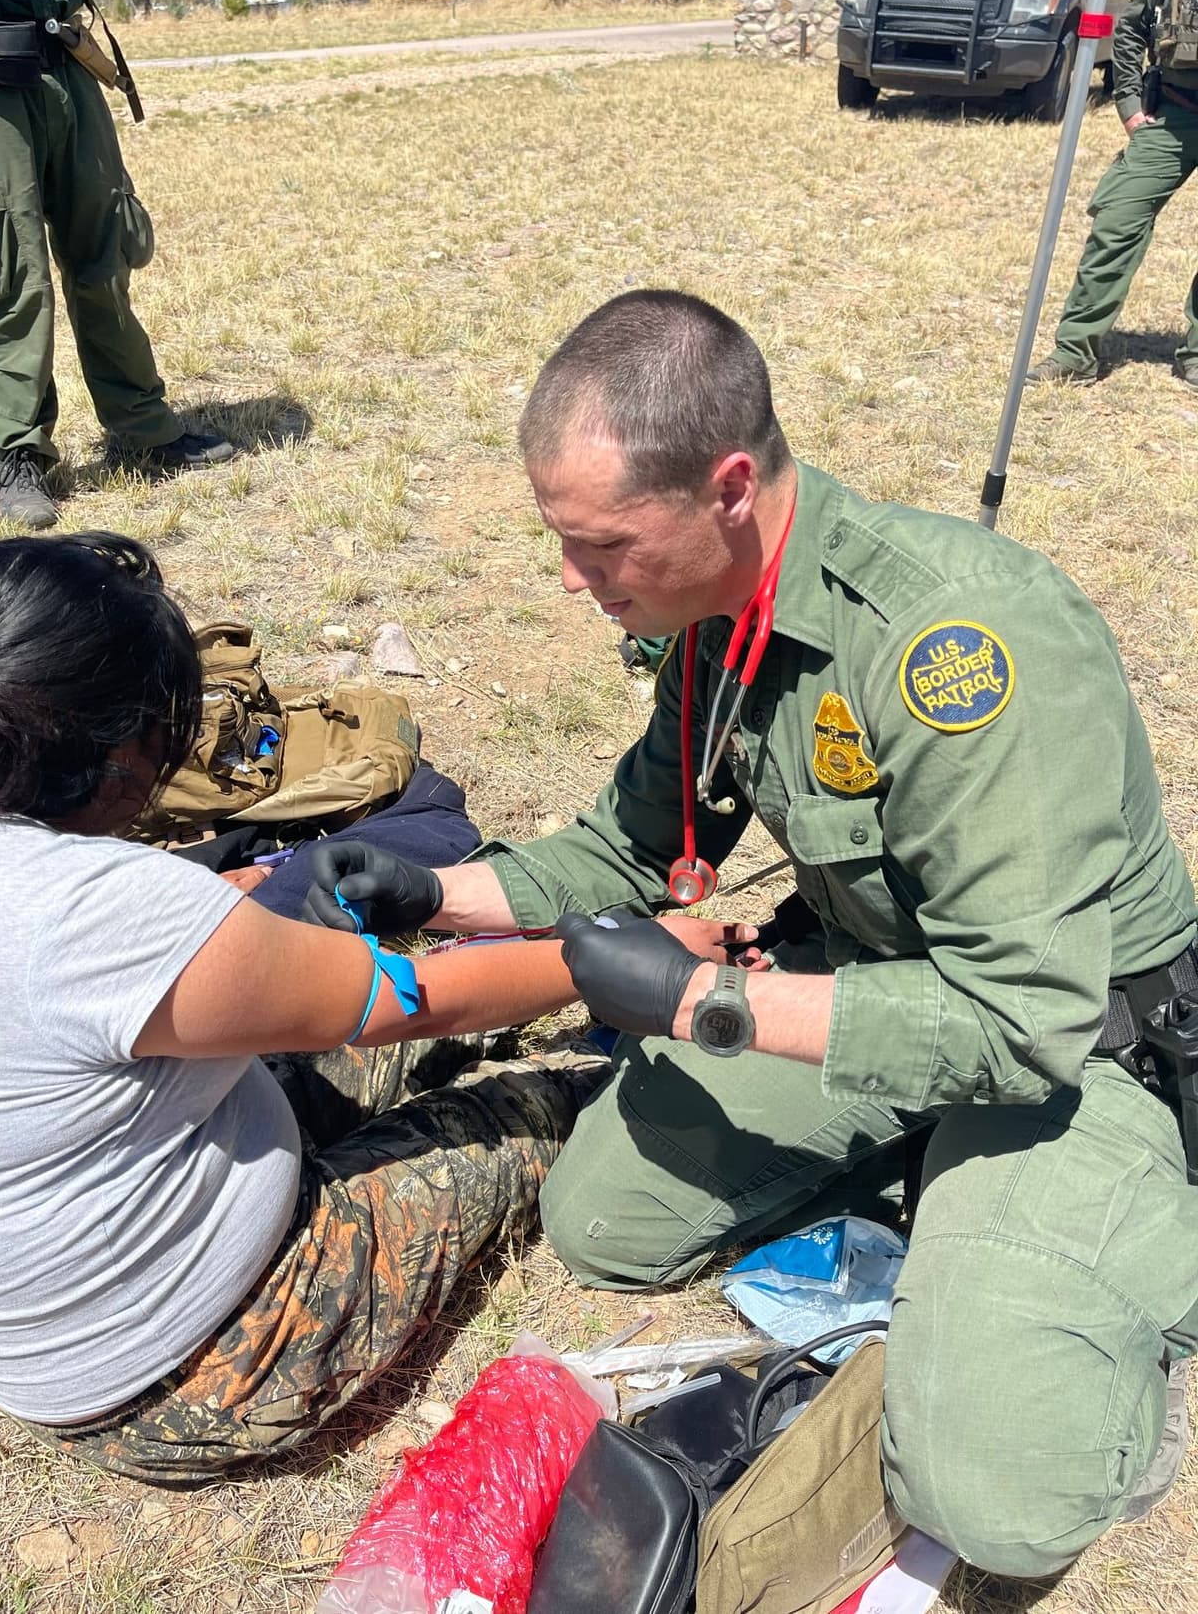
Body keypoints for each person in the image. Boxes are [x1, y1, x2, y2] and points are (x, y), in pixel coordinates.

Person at [308, 290, 1198, 1578]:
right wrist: (431, 892)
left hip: (1071, 1055)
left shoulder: (958, 644)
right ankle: (950, 1197)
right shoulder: (719, 625)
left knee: (997, 1504)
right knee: (605, 1224)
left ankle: (1098, 1263)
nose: (571, 579)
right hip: (874, 994)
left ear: (726, 489)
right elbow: (627, 844)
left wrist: (698, 1004)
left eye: (600, 544)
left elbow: (1022, 1020)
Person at [0, 530, 739, 1487]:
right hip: (207, 1369)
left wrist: (247, 908)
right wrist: (617, 967)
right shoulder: (100, 909)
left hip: (68, 1330)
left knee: (462, 1006)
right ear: (124, 744)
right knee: (535, 1107)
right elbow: (413, 1002)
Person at [0, 0, 235, 529]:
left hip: (67, 67)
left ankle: (143, 429)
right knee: (7, 272)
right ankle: (19, 455)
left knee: (106, 254)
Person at [1027, 0, 1198, 391]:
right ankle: (1074, 352)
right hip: (1175, 112)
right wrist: (1129, 103)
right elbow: (1131, 26)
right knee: (1117, 220)